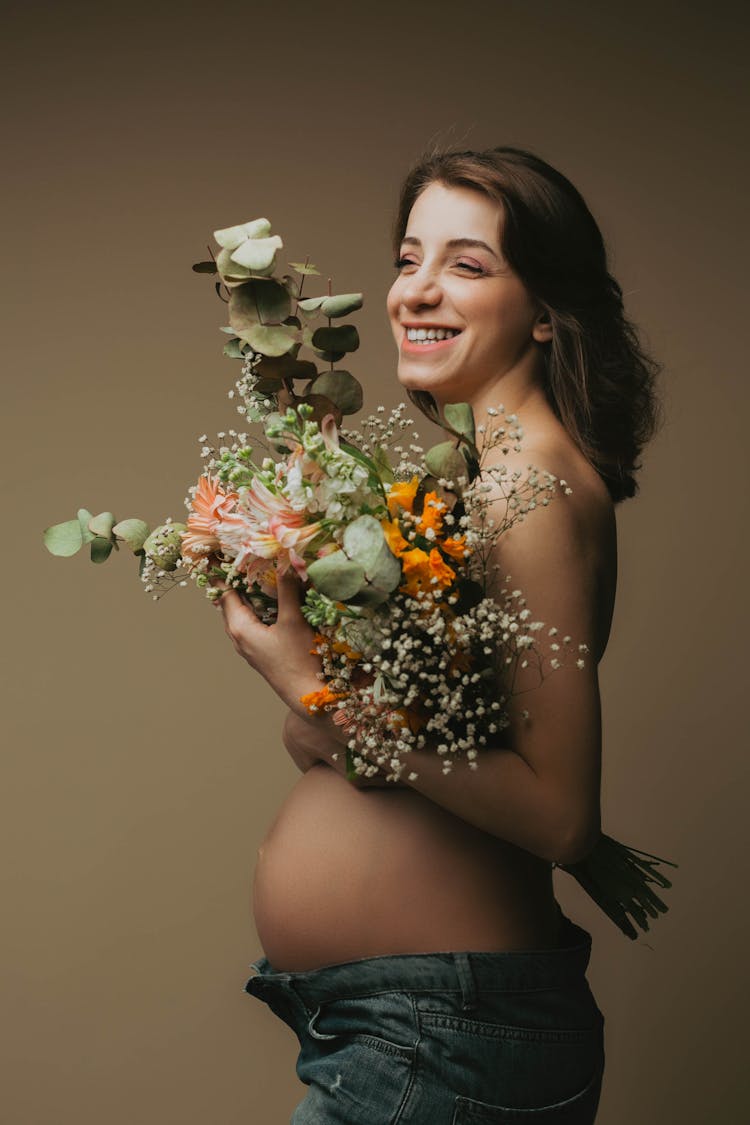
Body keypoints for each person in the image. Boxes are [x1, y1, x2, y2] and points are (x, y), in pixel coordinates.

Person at [209, 146, 663, 1123]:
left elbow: (559, 818)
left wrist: (310, 688)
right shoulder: (465, 485)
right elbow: (366, 748)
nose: (416, 291)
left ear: (544, 309)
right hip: (408, 1026)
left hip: (440, 1037)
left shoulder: (526, 492)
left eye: (466, 264)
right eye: (409, 258)